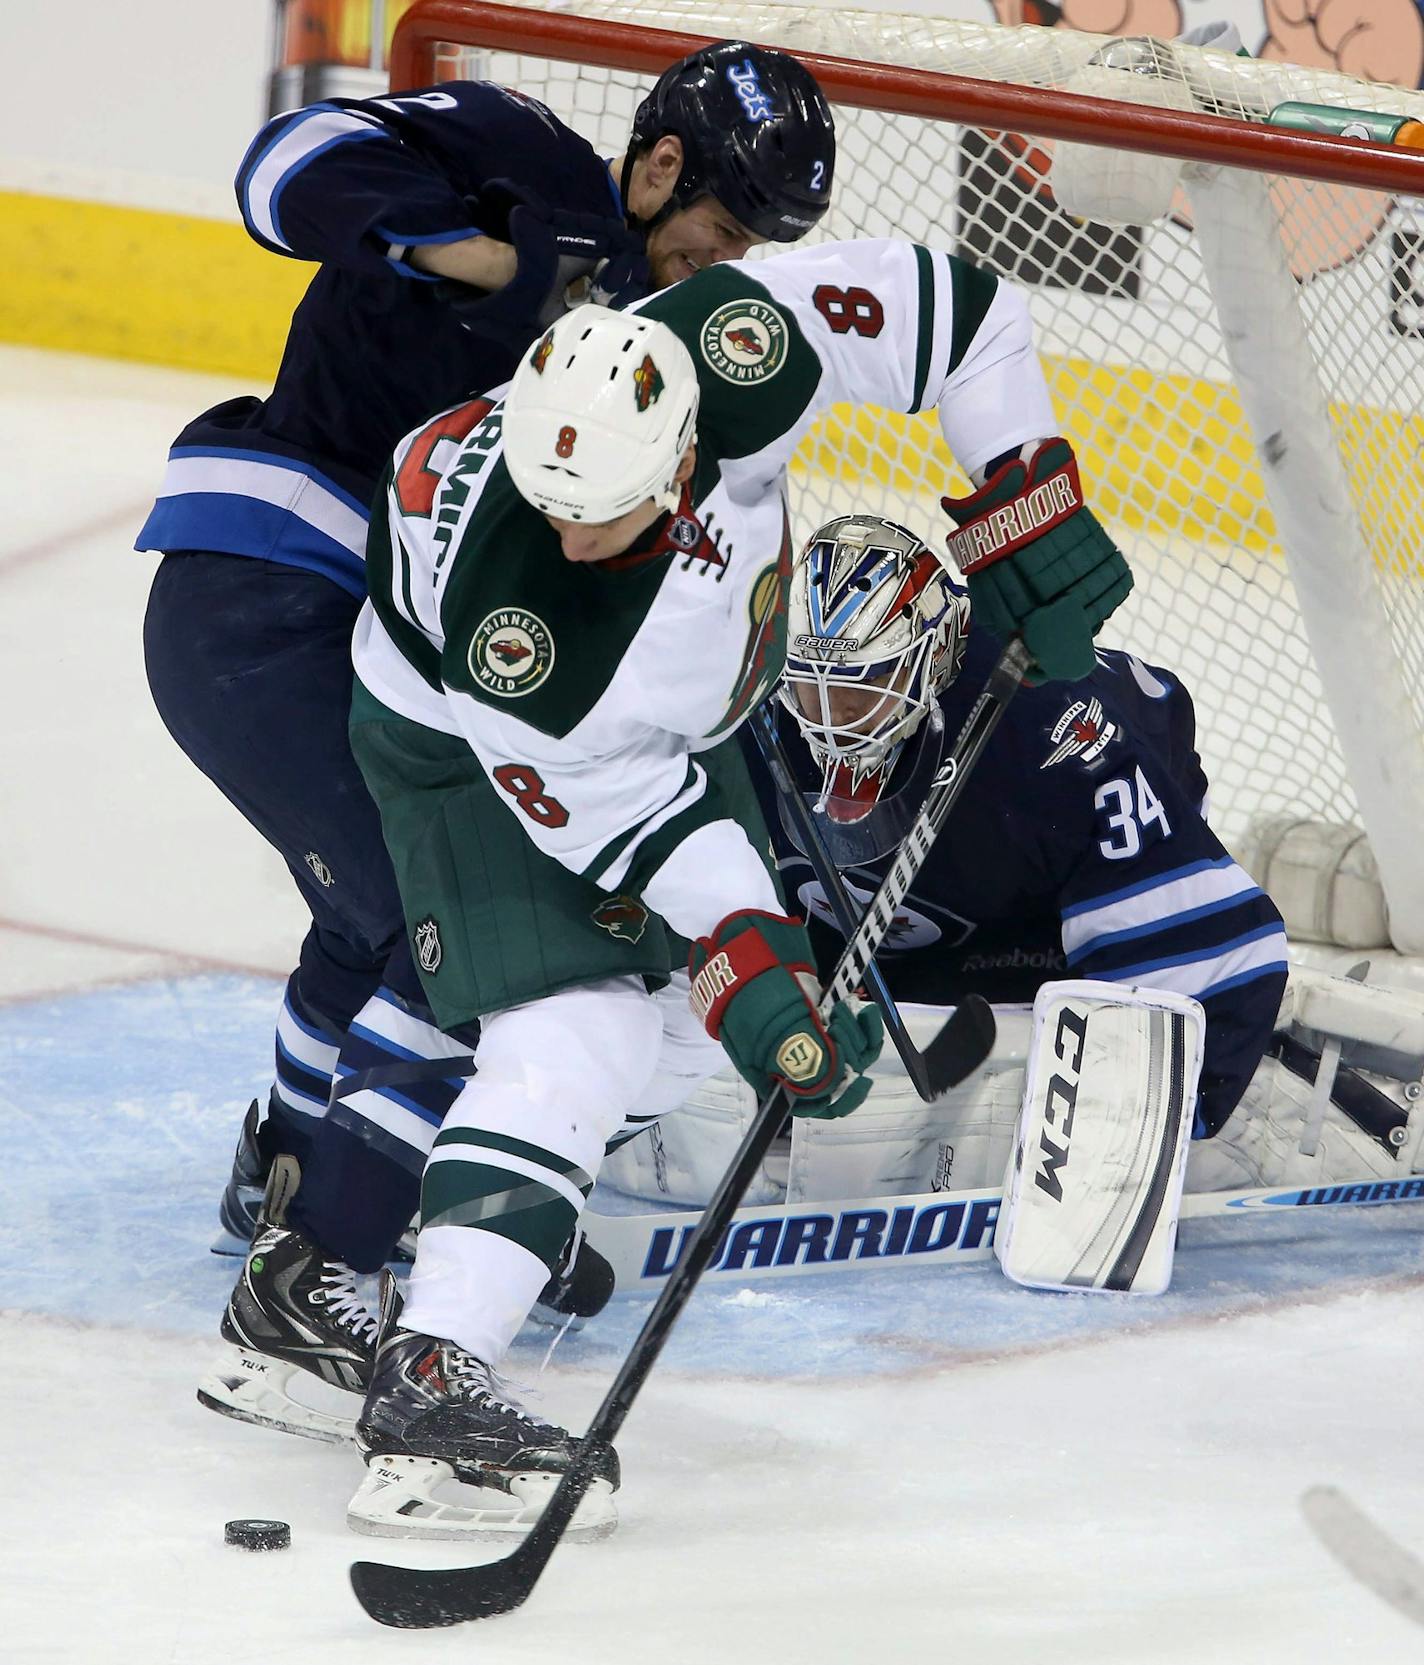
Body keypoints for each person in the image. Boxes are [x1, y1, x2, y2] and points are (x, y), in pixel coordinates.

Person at [269, 230, 1142, 1538]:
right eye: (553, 510)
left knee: (673, 1040)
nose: (569, 537)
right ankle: (431, 1377)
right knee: (582, 1022)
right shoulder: (525, 639)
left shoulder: (733, 342)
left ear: (681, 449)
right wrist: (756, 961)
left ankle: (515, 1206)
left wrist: (1026, 492)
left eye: (602, 512)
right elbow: (644, 832)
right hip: (460, 748)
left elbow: (964, 313)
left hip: (680, 715)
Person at [139, 43, 835, 1421]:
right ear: (656, 167)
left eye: (761, 245)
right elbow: (281, 173)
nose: (732, 262)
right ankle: (318, 1262)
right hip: (271, 591)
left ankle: (293, 1170)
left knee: (372, 924)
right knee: (442, 927)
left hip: (364, 643)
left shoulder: (669, 353)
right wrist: (495, 263)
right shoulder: (524, 157)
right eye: (722, 224)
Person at [609, 512, 1422, 1269]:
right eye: (810, 685)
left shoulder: (1058, 737)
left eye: (857, 689)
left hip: (1061, 884)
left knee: (1146, 1027)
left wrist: (1139, 1131)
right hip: (928, 916)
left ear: (930, 660)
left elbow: (1211, 961)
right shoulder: (749, 714)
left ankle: (1332, 1088)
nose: (827, 721)